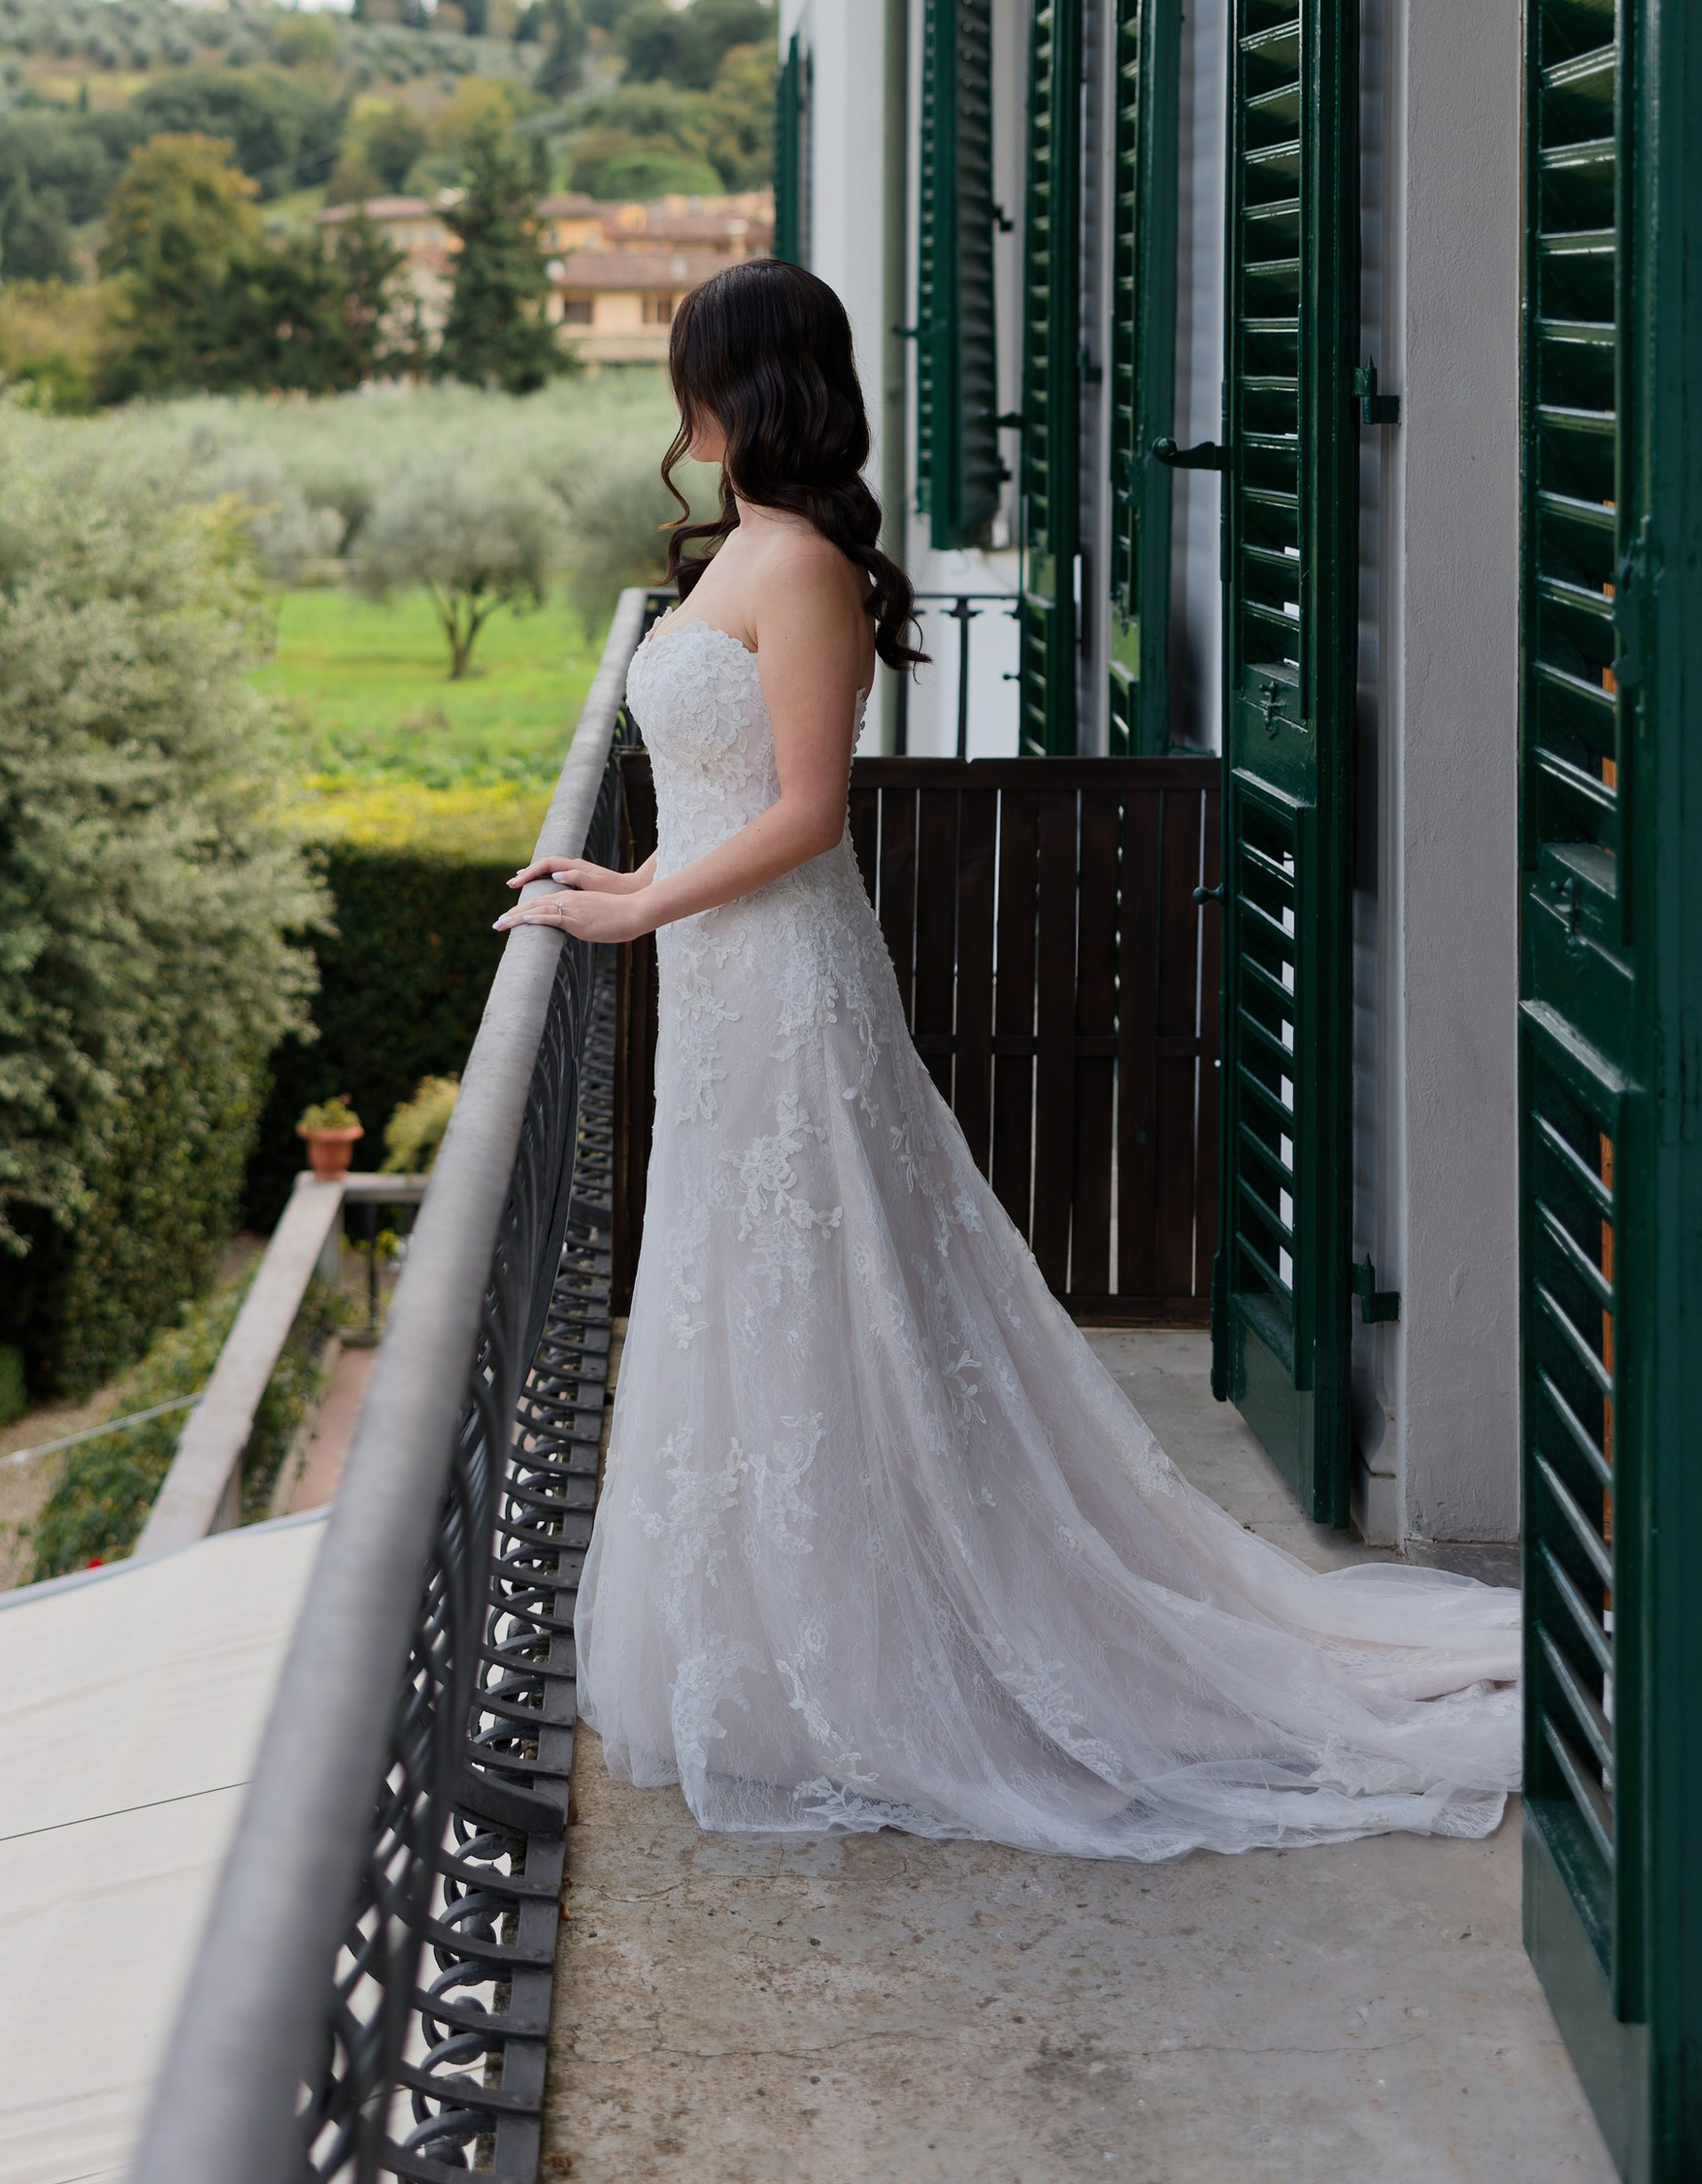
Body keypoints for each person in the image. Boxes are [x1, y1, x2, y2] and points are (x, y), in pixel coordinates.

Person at [495, 257, 1519, 1857]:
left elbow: (805, 813)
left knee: (830, 1300)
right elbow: (718, 791)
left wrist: (635, 909)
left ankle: (900, 1654)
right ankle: (780, 1646)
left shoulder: (805, 565)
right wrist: (626, 877)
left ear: (747, 382)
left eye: (692, 367)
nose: (675, 398)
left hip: (785, 987)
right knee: (748, 1299)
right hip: (714, 983)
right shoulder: (743, 547)